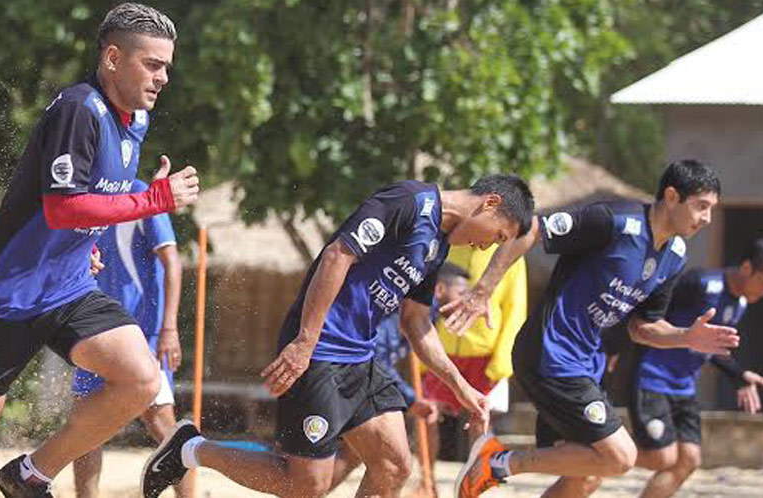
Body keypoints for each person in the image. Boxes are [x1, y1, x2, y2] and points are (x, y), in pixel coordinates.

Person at [0, 4, 200, 498]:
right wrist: (154, 200)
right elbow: (64, 207)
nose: (164, 77)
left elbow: (98, 198)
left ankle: (30, 475)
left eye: (167, 65)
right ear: (111, 58)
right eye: (153, 64)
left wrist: (87, 246)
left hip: (68, 288)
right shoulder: (77, 109)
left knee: (142, 380)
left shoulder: (137, 120)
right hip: (6, 293)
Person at [141, 175, 536, 498]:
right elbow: (337, 255)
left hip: (361, 359)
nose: (487, 245)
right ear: (489, 203)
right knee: (306, 487)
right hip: (321, 349)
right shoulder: (408, 201)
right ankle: (191, 448)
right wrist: (305, 342)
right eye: (497, 235)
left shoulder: (437, 248)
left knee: (394, 466)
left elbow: (416, 324)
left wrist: (461, 387)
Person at [449, 159, 740, 498]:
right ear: (672, 196)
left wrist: (684, 337)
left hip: (587, 363)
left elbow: (642, 328)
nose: (706, 219)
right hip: (551, 353)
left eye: (711, 210)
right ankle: (497, 462)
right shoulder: (613, 220)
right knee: (620, 457)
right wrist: (483, 290)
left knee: (586, 475)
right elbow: (531, 229)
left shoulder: (674, 256)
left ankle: (498, 463)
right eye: (701, 207)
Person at [628, 236, 763, 498]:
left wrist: (739, 375)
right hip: (652, 378)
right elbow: (647, 316)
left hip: (684, 388)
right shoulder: (700, 283)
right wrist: (616, 347)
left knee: (689, 459)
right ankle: (602, 453)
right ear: (747, 268)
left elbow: (711, 348)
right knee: (661, 457)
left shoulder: (740, 304)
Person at [71, 180, 189, 498]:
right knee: (86, 422)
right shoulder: (84, 198)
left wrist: (168, 328)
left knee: (161, 423)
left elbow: (172, 262)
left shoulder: (141, 192)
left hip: (143, 333)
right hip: (96, 331)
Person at [423, 245, 526, 456]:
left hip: (485, 353)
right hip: (442, 350)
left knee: (481, 417)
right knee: (428, 414)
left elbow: (515, 309)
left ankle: (476, 481)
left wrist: (502, 362)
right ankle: (427, 482)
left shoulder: (511, 254)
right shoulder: (448, 245)